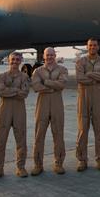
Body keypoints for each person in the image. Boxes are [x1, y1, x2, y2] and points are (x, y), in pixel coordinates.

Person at [0, 52, 30, 179]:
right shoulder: (2, 76)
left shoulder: (24, 77)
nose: (15, 61)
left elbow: (24, 94)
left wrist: (10, 90)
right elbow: (1, 92)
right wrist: (16, 90)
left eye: (17, 59)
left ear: (20, 61)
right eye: (12, 59)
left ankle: (21, 167)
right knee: (0, 139)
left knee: (21, 139)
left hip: (19, 110)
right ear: (9, 60)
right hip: (5, 110)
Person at [30, 47, 68, 175]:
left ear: (55, 56)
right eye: (48, 55)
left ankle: (58, 163)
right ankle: (38, 165)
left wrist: (45, 82)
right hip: (43, 103)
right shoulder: (37, 71)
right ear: (43, 56)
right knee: (39, 134)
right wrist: (52, 87)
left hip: (57, 104)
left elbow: (62, 84)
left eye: (52, 55)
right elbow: (36, 86)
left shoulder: (62, 69)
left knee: (58, 134)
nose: (50, 57)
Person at [75, 38, 100, 171]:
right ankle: (82, 160)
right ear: (87, 46)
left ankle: (99, 159)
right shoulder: (81, 61)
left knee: (99, 129)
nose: (92, 47)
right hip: (83, 97)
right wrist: (96, 78)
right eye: (90, 45)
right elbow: (79, 78)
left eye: (95, 45)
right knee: (83, 130)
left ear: (98, 47)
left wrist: (89, 74)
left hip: (98, 98)